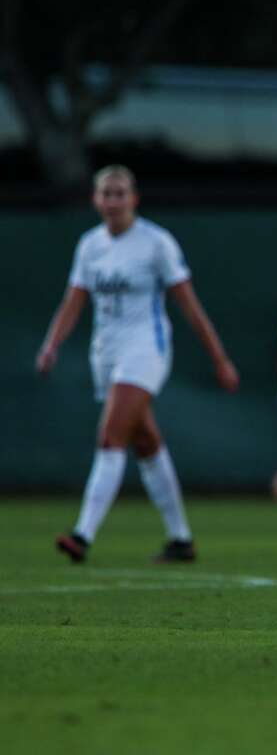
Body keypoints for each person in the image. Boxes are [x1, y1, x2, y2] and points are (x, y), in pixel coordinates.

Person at [36, 165, 240, 563]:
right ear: (95, 200)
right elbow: (73, 302)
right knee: (145, 441)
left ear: (134, 199)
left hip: (146, 348)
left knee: (111, 436)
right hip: (106, 353)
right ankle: (181, 540)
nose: (113, 201)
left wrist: (220, 358)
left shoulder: (155, 243)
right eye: (106, 194)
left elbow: (190, 306)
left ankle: (83, 534)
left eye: (120, 193)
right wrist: (51, 345)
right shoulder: (90, 245)